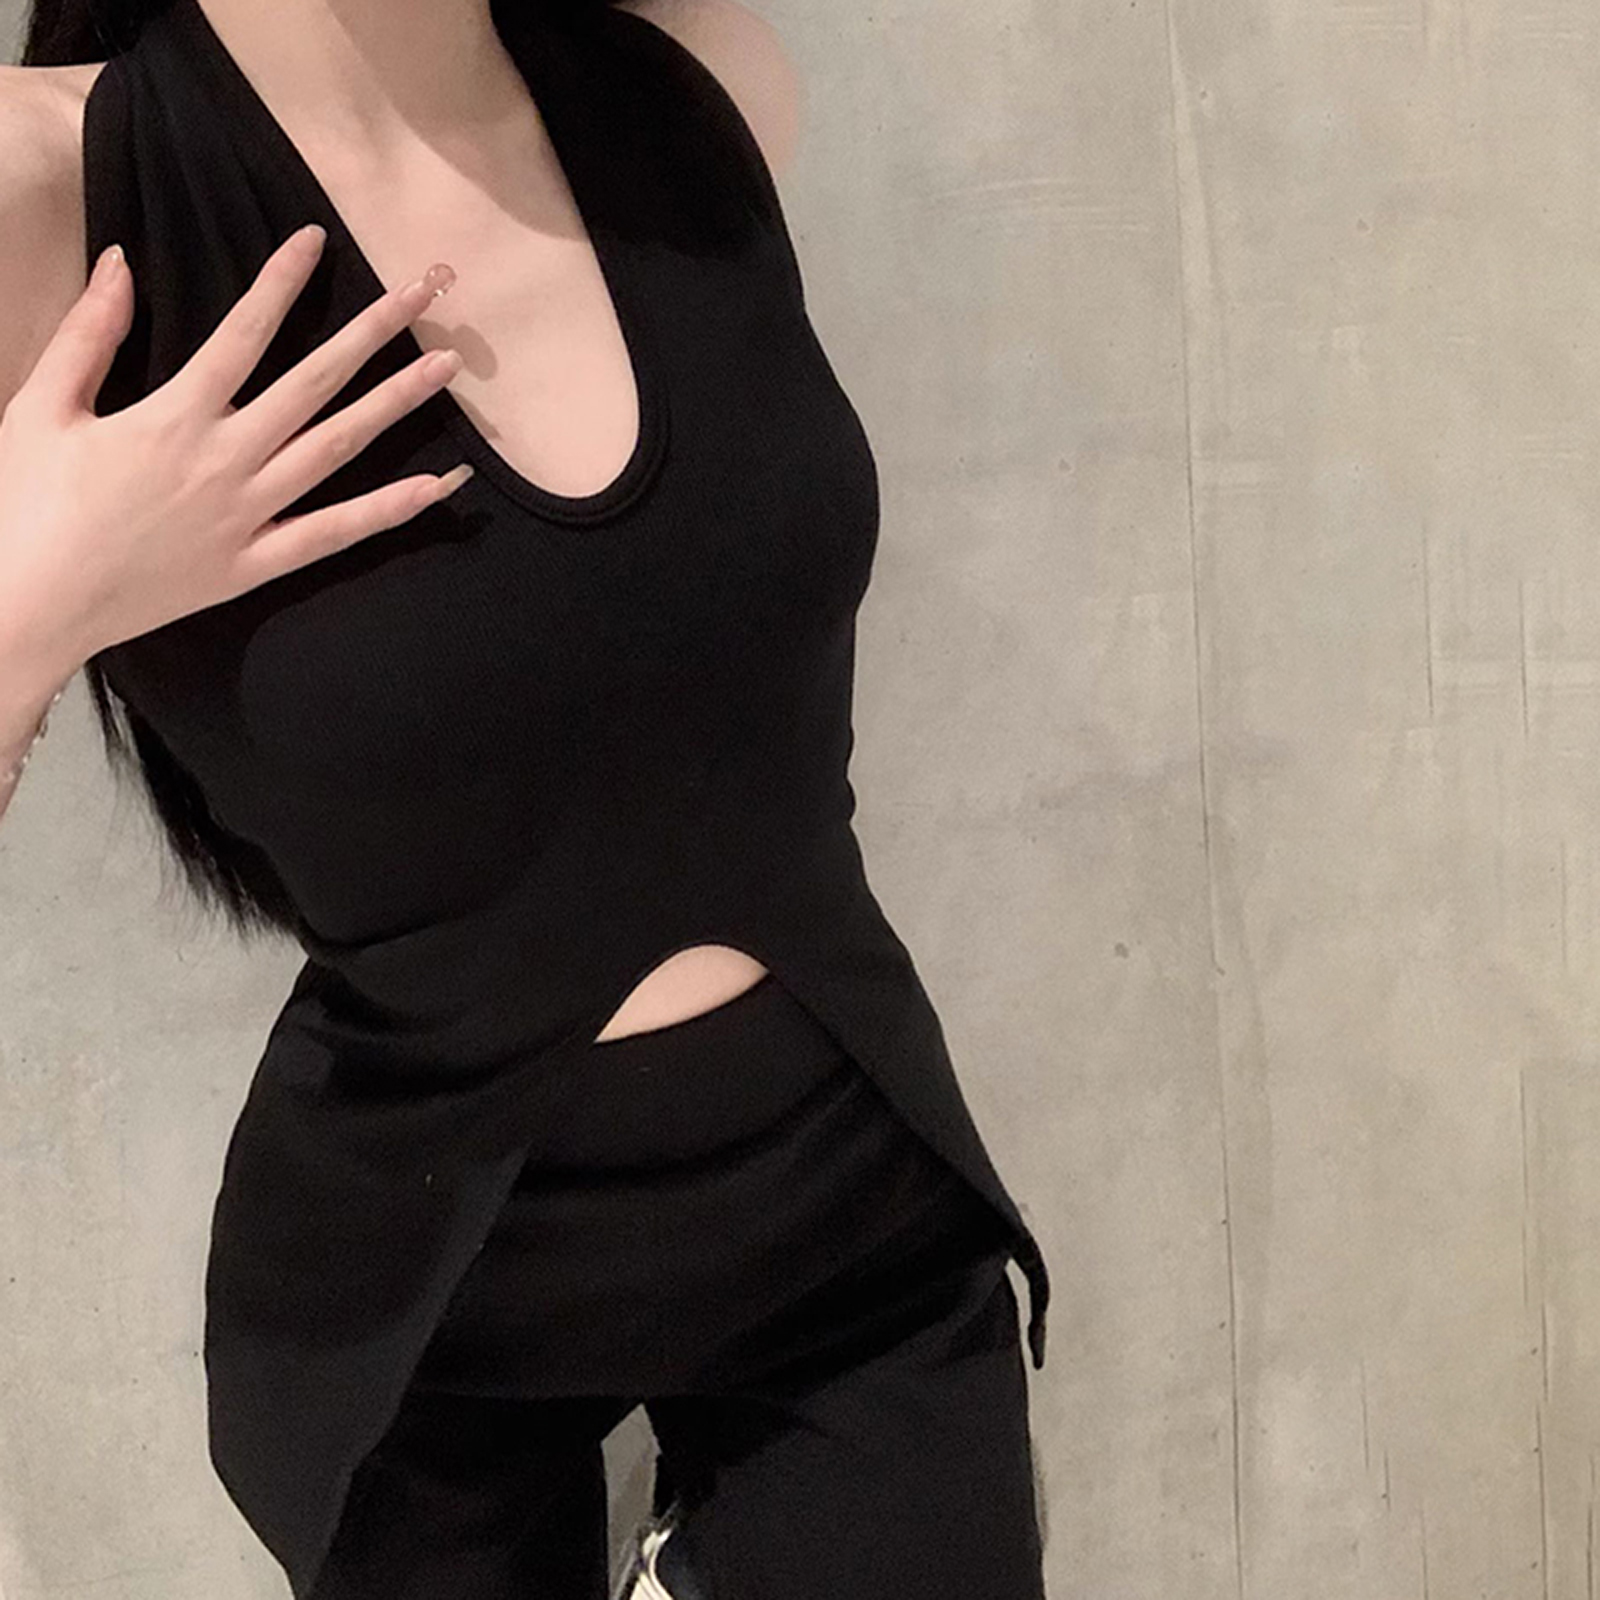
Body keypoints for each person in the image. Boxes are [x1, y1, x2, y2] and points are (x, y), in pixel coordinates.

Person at [0, 0, 1054, 1594]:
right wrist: (34, 605)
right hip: (421, 1325)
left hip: (854, 1230)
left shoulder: (697, 81)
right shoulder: (47, 200)